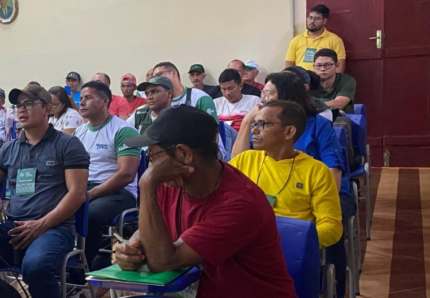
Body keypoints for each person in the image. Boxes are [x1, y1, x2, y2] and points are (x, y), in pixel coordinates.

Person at [115, 106, 297, 298]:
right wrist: (133, 246)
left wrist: (146, 183)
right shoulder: (169, 182)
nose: (151, 166)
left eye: (152, 156)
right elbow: (151, 227)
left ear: (183, 154)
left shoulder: (240, 204)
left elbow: (164, 260)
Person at [0, 85, 90, 298]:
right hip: (14, 227)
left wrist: (41, 224)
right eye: (18, 106)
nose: (21, 110)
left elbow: (78, 193)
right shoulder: (9, 148)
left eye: (28, 104)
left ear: (47, 109)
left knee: (35, 267)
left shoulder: (68, 145)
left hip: (54, 228)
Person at [235, 72, 355, 297]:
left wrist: (297, 242)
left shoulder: (316, 155)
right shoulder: (247, 160)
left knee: (331, 238)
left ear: (289, 131)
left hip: (301, 231)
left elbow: (332, 180)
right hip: (253, 246)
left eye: (269, 94)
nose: (255, 130)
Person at [230, 100, 342, 248]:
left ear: (289, 132)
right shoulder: (244, 160)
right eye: (254, 124)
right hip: (243, 245)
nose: (254, 130)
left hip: (289, 249)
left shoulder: (316, 171)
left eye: (262, 124)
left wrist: (293, 239)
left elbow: (331, 226)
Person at [73, 81, 141, 281]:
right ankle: (58, 262)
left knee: (91, 214)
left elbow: (126, 175)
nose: (82, 103)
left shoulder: (124, 130)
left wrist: (90, 194)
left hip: (119, 192)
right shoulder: (79, 133)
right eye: (81, 99)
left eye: (88, 98)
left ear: (104, 101)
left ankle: (81, 272)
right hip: (85, 187)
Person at [286, 4, 346, 73]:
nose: (312, 21)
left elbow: (340, 65)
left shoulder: (335, 40)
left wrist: (334, 82)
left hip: (324, 80)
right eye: (310, 18)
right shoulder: (296, 40)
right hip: (301, 80)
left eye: (316, 18)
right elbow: (289, 64)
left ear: (324, 21)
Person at [151, 62, 218, 119]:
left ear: (174, 73)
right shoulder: (156, 103)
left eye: (159, 75)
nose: (156, 80)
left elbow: (213, 132)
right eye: (154, 77)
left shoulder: (201, 98)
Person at [310, 49, 357, 115]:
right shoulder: (308, 80)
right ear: (313, 67)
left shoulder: (347, 80)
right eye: (319, 65)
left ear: (337, 65)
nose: (322, 69)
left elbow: (339, 103)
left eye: (327, 65)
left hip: (340, 120)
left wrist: (311, 107)